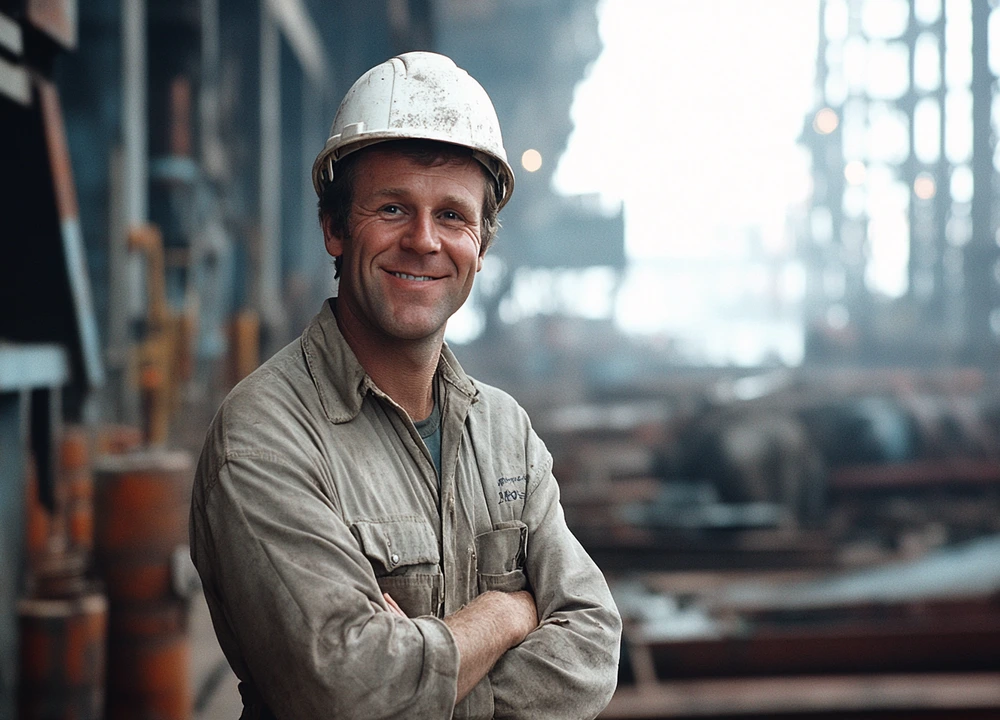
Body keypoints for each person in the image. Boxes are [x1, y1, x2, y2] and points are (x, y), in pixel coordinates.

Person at [189, 51, 621, 720]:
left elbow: (592, 647)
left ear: (482, 244)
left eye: (452, 216)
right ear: (334, 228)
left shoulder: (506, 435)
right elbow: (348, 690)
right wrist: (508, 612)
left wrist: (418, 673)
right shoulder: (266, 440)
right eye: (393, 209)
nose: (424, 240)